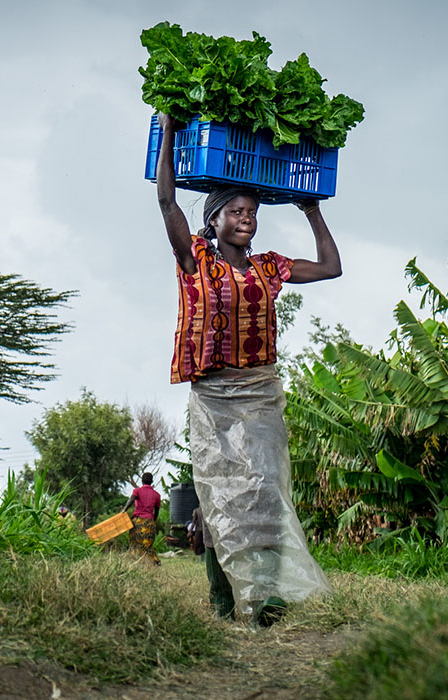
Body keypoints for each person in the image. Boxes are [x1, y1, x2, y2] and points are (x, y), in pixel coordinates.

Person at [155, 113, 339, 627]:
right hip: (213, 393)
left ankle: (265, 600)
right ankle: (224, 599)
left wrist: (311, 210)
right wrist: (169, 129)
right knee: (218, 494)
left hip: (259, 391)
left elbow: (330, 268)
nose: (246, 218)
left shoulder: (268, 267)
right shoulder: (194, 261)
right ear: (213, 220)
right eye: (235, 211)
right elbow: (167, 201)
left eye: (252, 212)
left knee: (264, 490)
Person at [122, 472, 162, 565]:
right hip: (149, 522)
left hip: (138, 522)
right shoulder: (157, 495)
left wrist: (124, 510)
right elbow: (157, 511)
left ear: (142, 481)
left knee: (135, 543)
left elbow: (131, 500)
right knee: (147, 545)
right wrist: (152, 521)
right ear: (152, 481)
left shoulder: (137, 491)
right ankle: (154, 562)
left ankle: (135, 562)